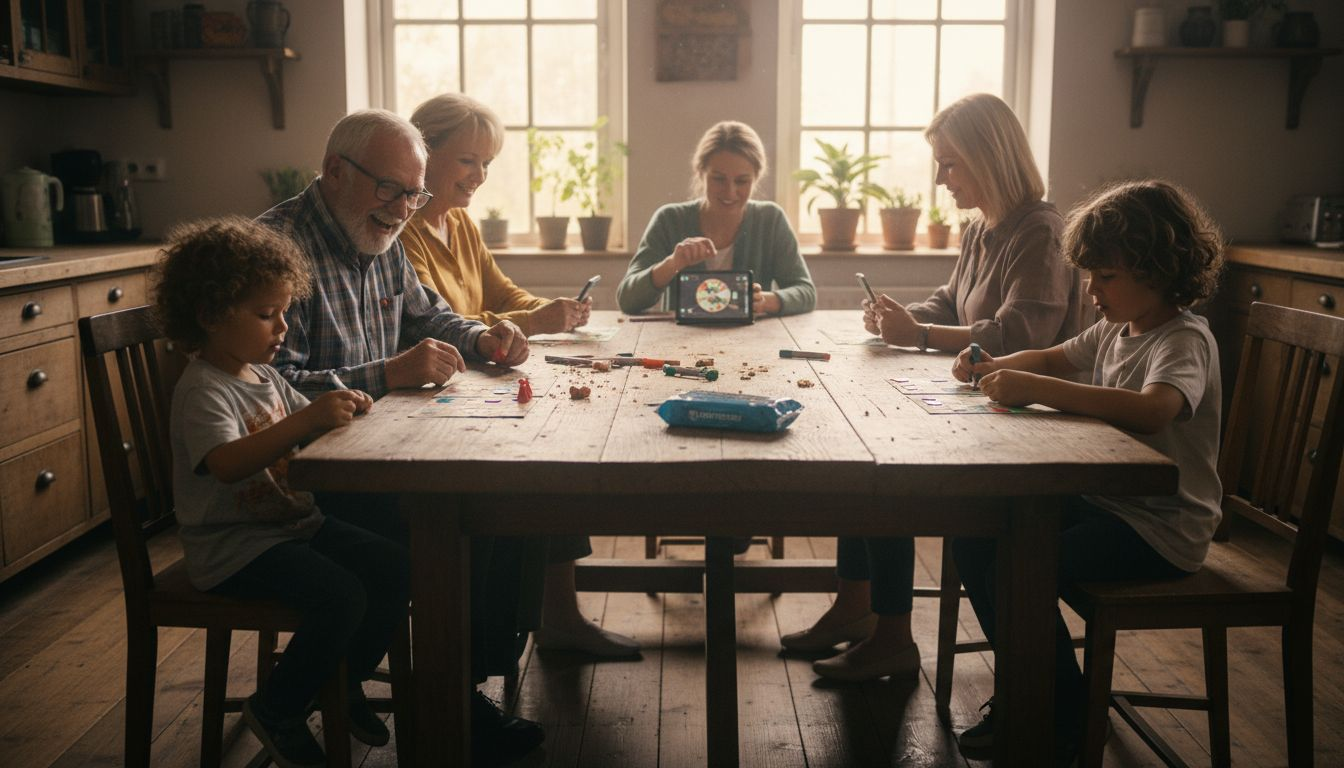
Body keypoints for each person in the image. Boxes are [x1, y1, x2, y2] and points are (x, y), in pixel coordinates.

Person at [257, 109, 544, 766]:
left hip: (375, 449)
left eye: (413, 195)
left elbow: (427, 315)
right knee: (472, 516)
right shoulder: (275, 249)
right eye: (390, 189)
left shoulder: (380, 232)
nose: (402, 210)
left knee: (508, 504)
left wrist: (483, 338)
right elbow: (266, 389)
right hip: (301, 477)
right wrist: (385, 374)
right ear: (335, 170)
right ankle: (440, 702)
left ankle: (452, 684)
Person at [781, 93, 1087, 684]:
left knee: (886, 471)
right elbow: (951, 303)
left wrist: (918, 335)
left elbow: (1019, 333)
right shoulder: (981, 228)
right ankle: (858, 608)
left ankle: (891, 635)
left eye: (950, 164)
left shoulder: (1041, 231)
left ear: (988, 158)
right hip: (987, 403)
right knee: (865, 450)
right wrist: (900, 318)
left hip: (1032, 420)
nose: (941, 178)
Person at [949, 179, 1225, 763]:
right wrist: (994, 365)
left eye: (1106, 276)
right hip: (1111, 506)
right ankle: (1043, 693)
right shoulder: (1116, 329)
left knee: (1019, 565)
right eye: (1090, 275)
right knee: (975, 533)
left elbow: (1154, 411)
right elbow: (1054, 357)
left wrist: (1038, 390)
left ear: (1159, 269)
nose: (1091, 290)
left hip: (1162, 530)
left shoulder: (1184, 340)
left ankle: (1060, 711)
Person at [155, 217, 408, 768]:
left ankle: (342, 680)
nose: (283, 327)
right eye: (267, 314)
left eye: (285, 312)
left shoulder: (263, 376)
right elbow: (226, 464)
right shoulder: (203, 390)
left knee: (397, 567)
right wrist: (306, 421)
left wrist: (343, 408)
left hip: (290, 525)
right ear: (210, 316)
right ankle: (276, 708)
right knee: (343, 595)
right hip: (234, 547)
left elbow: (310, 425)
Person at [400, 92, 639, 657]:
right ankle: (511, 637)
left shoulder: (460, 223)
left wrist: (552, 310)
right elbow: (437, 321)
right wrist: (533, 321)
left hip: (477, 382)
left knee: (555, 455)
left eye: (487, 163)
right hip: (434, 400)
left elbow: (502, 295)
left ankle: (556, 617)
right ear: (423, 154)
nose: (480, 176)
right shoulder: (404, 234)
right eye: (468, 160)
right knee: (537, 471)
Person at [616, 120, 816, 317]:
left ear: (756, 178)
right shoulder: (669, 220)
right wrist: (672, 264)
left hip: (751, 336)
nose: (730, 192)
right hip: (680, 337)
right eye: (719, 179)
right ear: (700, 173)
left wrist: (765, 301)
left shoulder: (770, 220)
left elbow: (806, 292)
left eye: (742, 181)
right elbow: (627, 299)